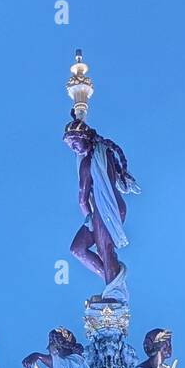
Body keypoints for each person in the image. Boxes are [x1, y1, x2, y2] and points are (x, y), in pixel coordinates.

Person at [64, 118, 139, 292]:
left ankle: (115, 292)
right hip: (110, 205)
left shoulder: (90, 161)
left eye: (75, 144)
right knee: (79, 248)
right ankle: (115, 283)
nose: (74, 149)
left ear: (85, 138)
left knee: (105, 249)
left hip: (103, 208)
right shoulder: (103, 153)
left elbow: (82, 198)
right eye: (71, 147)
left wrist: (88, 218)